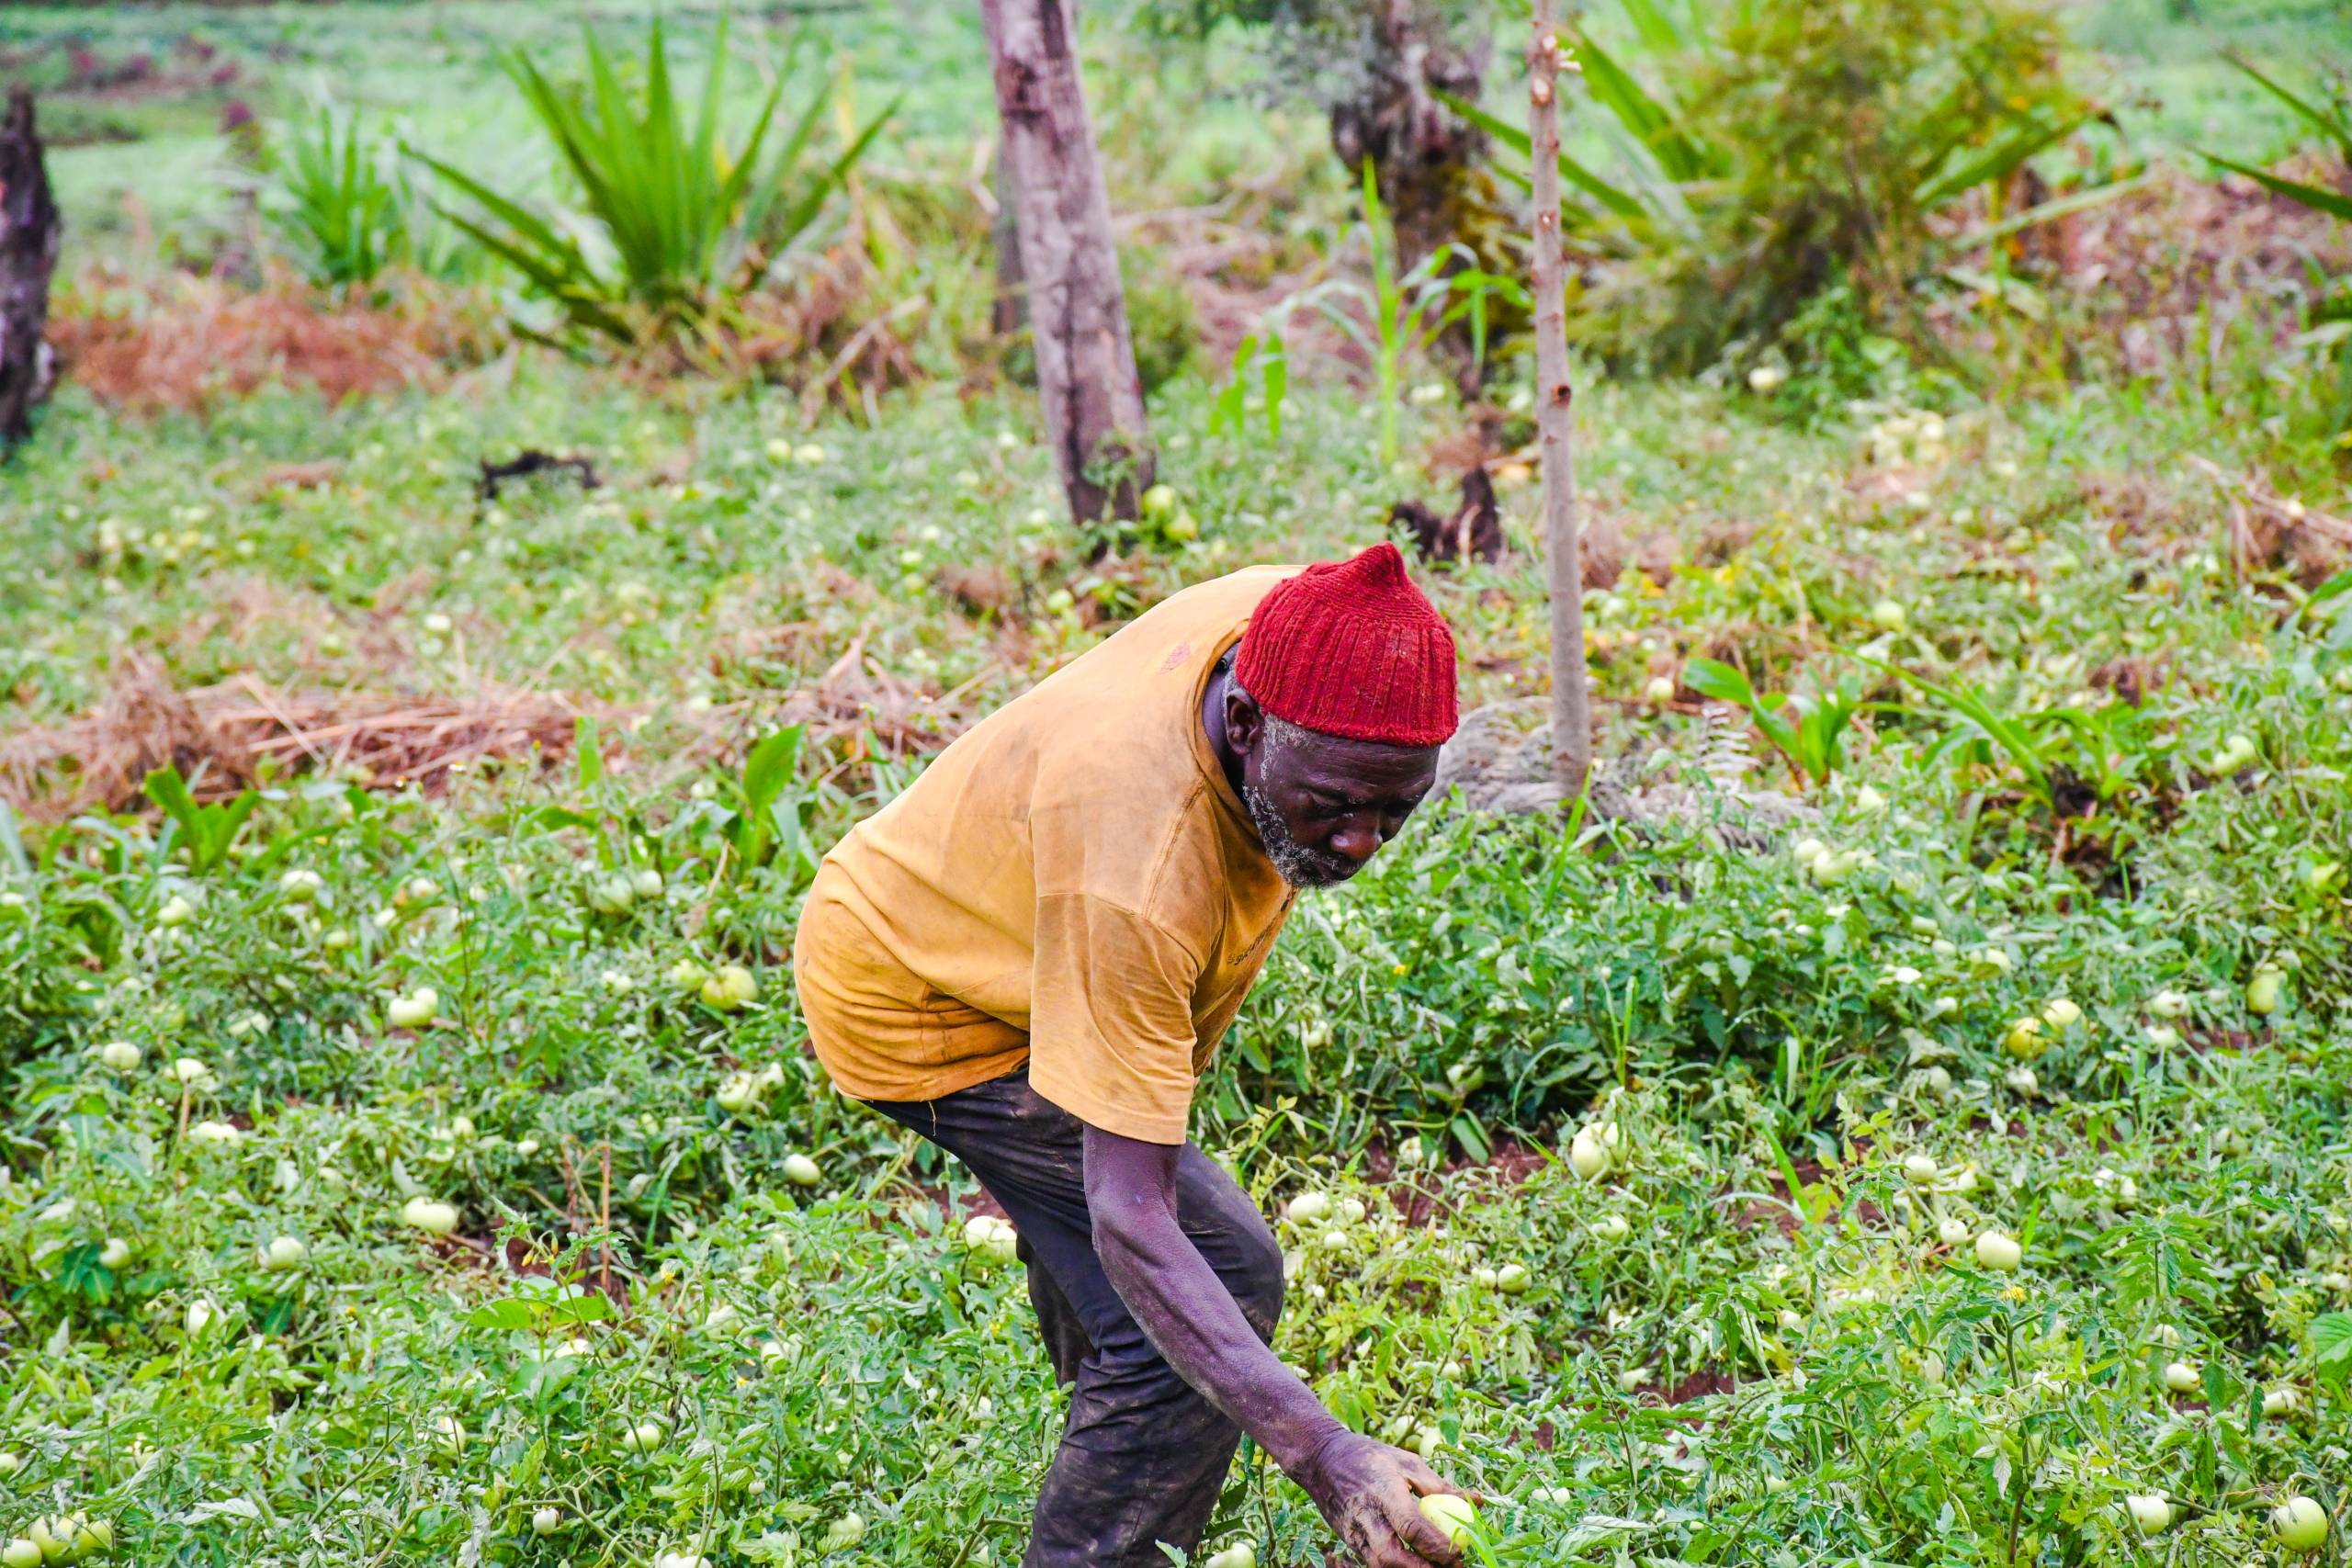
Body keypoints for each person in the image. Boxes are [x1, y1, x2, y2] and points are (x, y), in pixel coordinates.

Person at [794, 542, 1472, 1568]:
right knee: (1214, 1279)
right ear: (1244, 727)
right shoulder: (1138, 873)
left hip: (999, 925)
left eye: (1396, 810)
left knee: (1145, 1316)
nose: (1359, 845)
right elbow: (1129, 1211)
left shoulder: (1286, 628)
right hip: (923, 994)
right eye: (1333, 805)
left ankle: (1118, 1430)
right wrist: (1325, 1453)